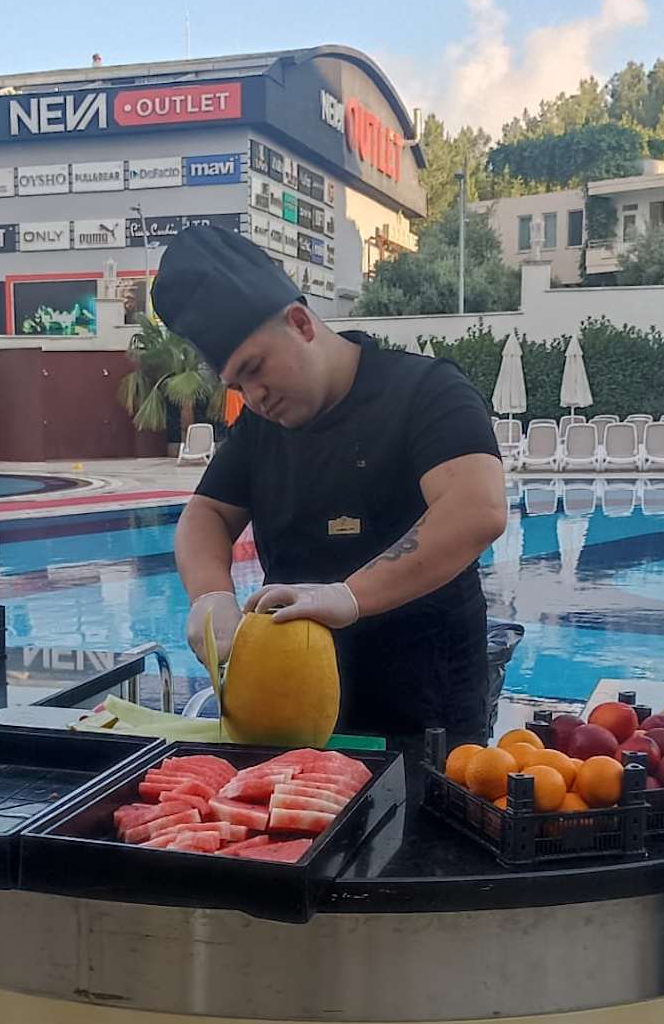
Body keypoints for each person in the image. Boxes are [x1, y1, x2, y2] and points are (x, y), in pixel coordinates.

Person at [155, 224, 508, 745]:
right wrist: (209, 594)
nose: (254, 397)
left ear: (300, 323)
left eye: (255, 369)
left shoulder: (426, 391)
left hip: (423, 709)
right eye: (238, 386)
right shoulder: (260, 428)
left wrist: (350, 595)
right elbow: (206, 514)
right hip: (291, 711)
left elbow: (477, 509)